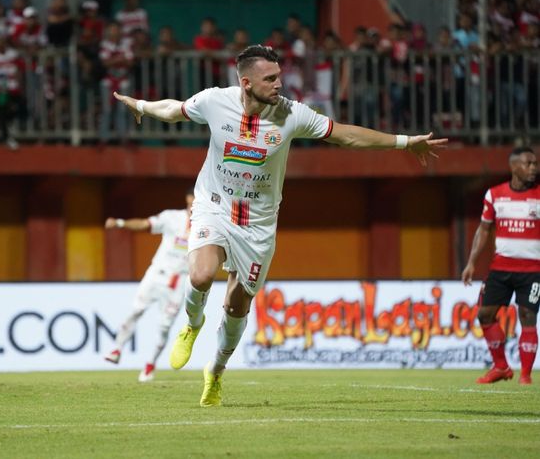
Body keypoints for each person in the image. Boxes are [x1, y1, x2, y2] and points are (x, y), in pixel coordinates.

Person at [113, 45, 446, 406]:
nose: (278, 84)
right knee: (200, 276)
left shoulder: (292, 114)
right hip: (215, 206)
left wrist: (404, 142)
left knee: (237, 306)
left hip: (257, 225)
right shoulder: (214, 101)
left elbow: (346, 135)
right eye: (270, 78)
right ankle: (192, 325)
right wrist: (141, 106)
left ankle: (216, 371)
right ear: (246, 83)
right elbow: (174, 110)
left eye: (279, 77)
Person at [462, 146, 539, 385]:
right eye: (529, 164)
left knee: (527, 316)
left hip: (532, 270)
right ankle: (501, 367)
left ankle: (525, 375)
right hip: (500, 269)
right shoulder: (495, 194)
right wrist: (471, 262)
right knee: (485, 315)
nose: (534, 168)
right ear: (514, 166)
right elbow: (483, 229)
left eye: (535, 164)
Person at [104, 190, 194, 382]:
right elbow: (145, 224)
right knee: (135, 311)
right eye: (193, 199)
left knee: (164, 327)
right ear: (188, 199)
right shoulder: (171, 217)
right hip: (156, 274)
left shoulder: (207, 227)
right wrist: (120, 223)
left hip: (178, 282)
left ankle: (150, 364)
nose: (194, 203)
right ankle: (117, 349)